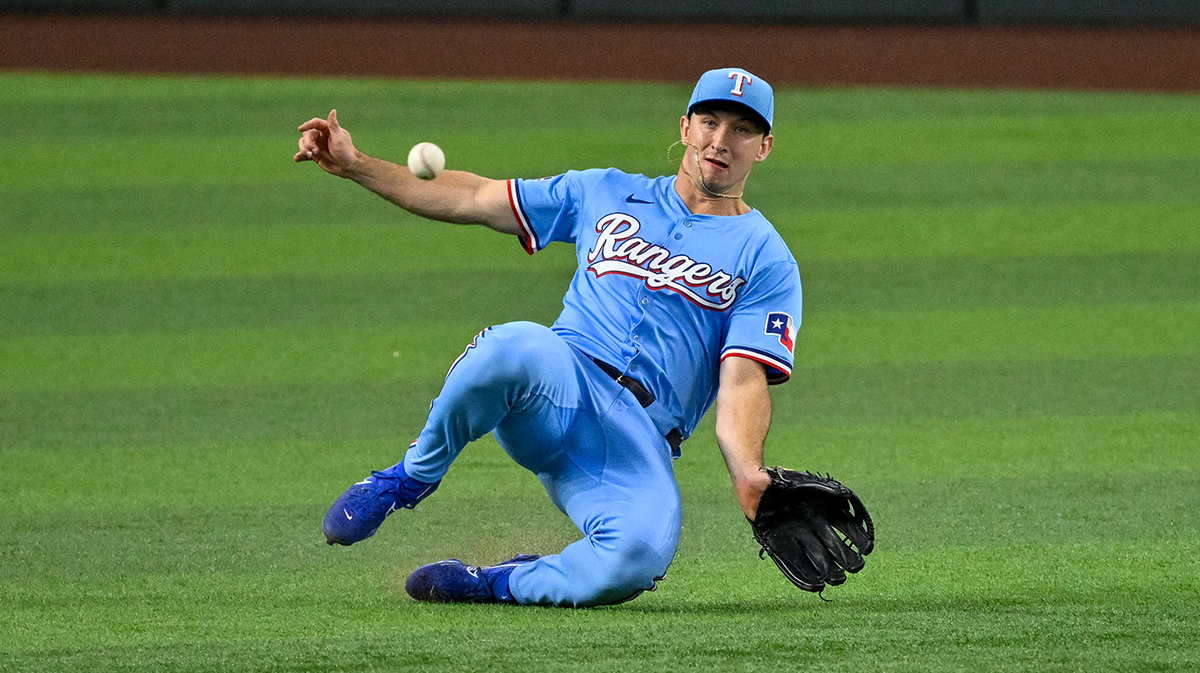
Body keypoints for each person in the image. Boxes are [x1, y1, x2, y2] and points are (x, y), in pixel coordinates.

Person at [294, 67, 800, 608]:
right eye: (710, 121)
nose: (721, 141)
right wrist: (355, 165)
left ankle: (497, 582)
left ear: (763, 147)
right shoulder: (603, 191)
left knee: (640, 553)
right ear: (685, 127)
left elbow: (743, 382)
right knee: (512, 345)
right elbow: (474, 198)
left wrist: (748, 472)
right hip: (558, 384)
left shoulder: (767, 259)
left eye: (742, 130)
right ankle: (407, 479)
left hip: (633, 444)